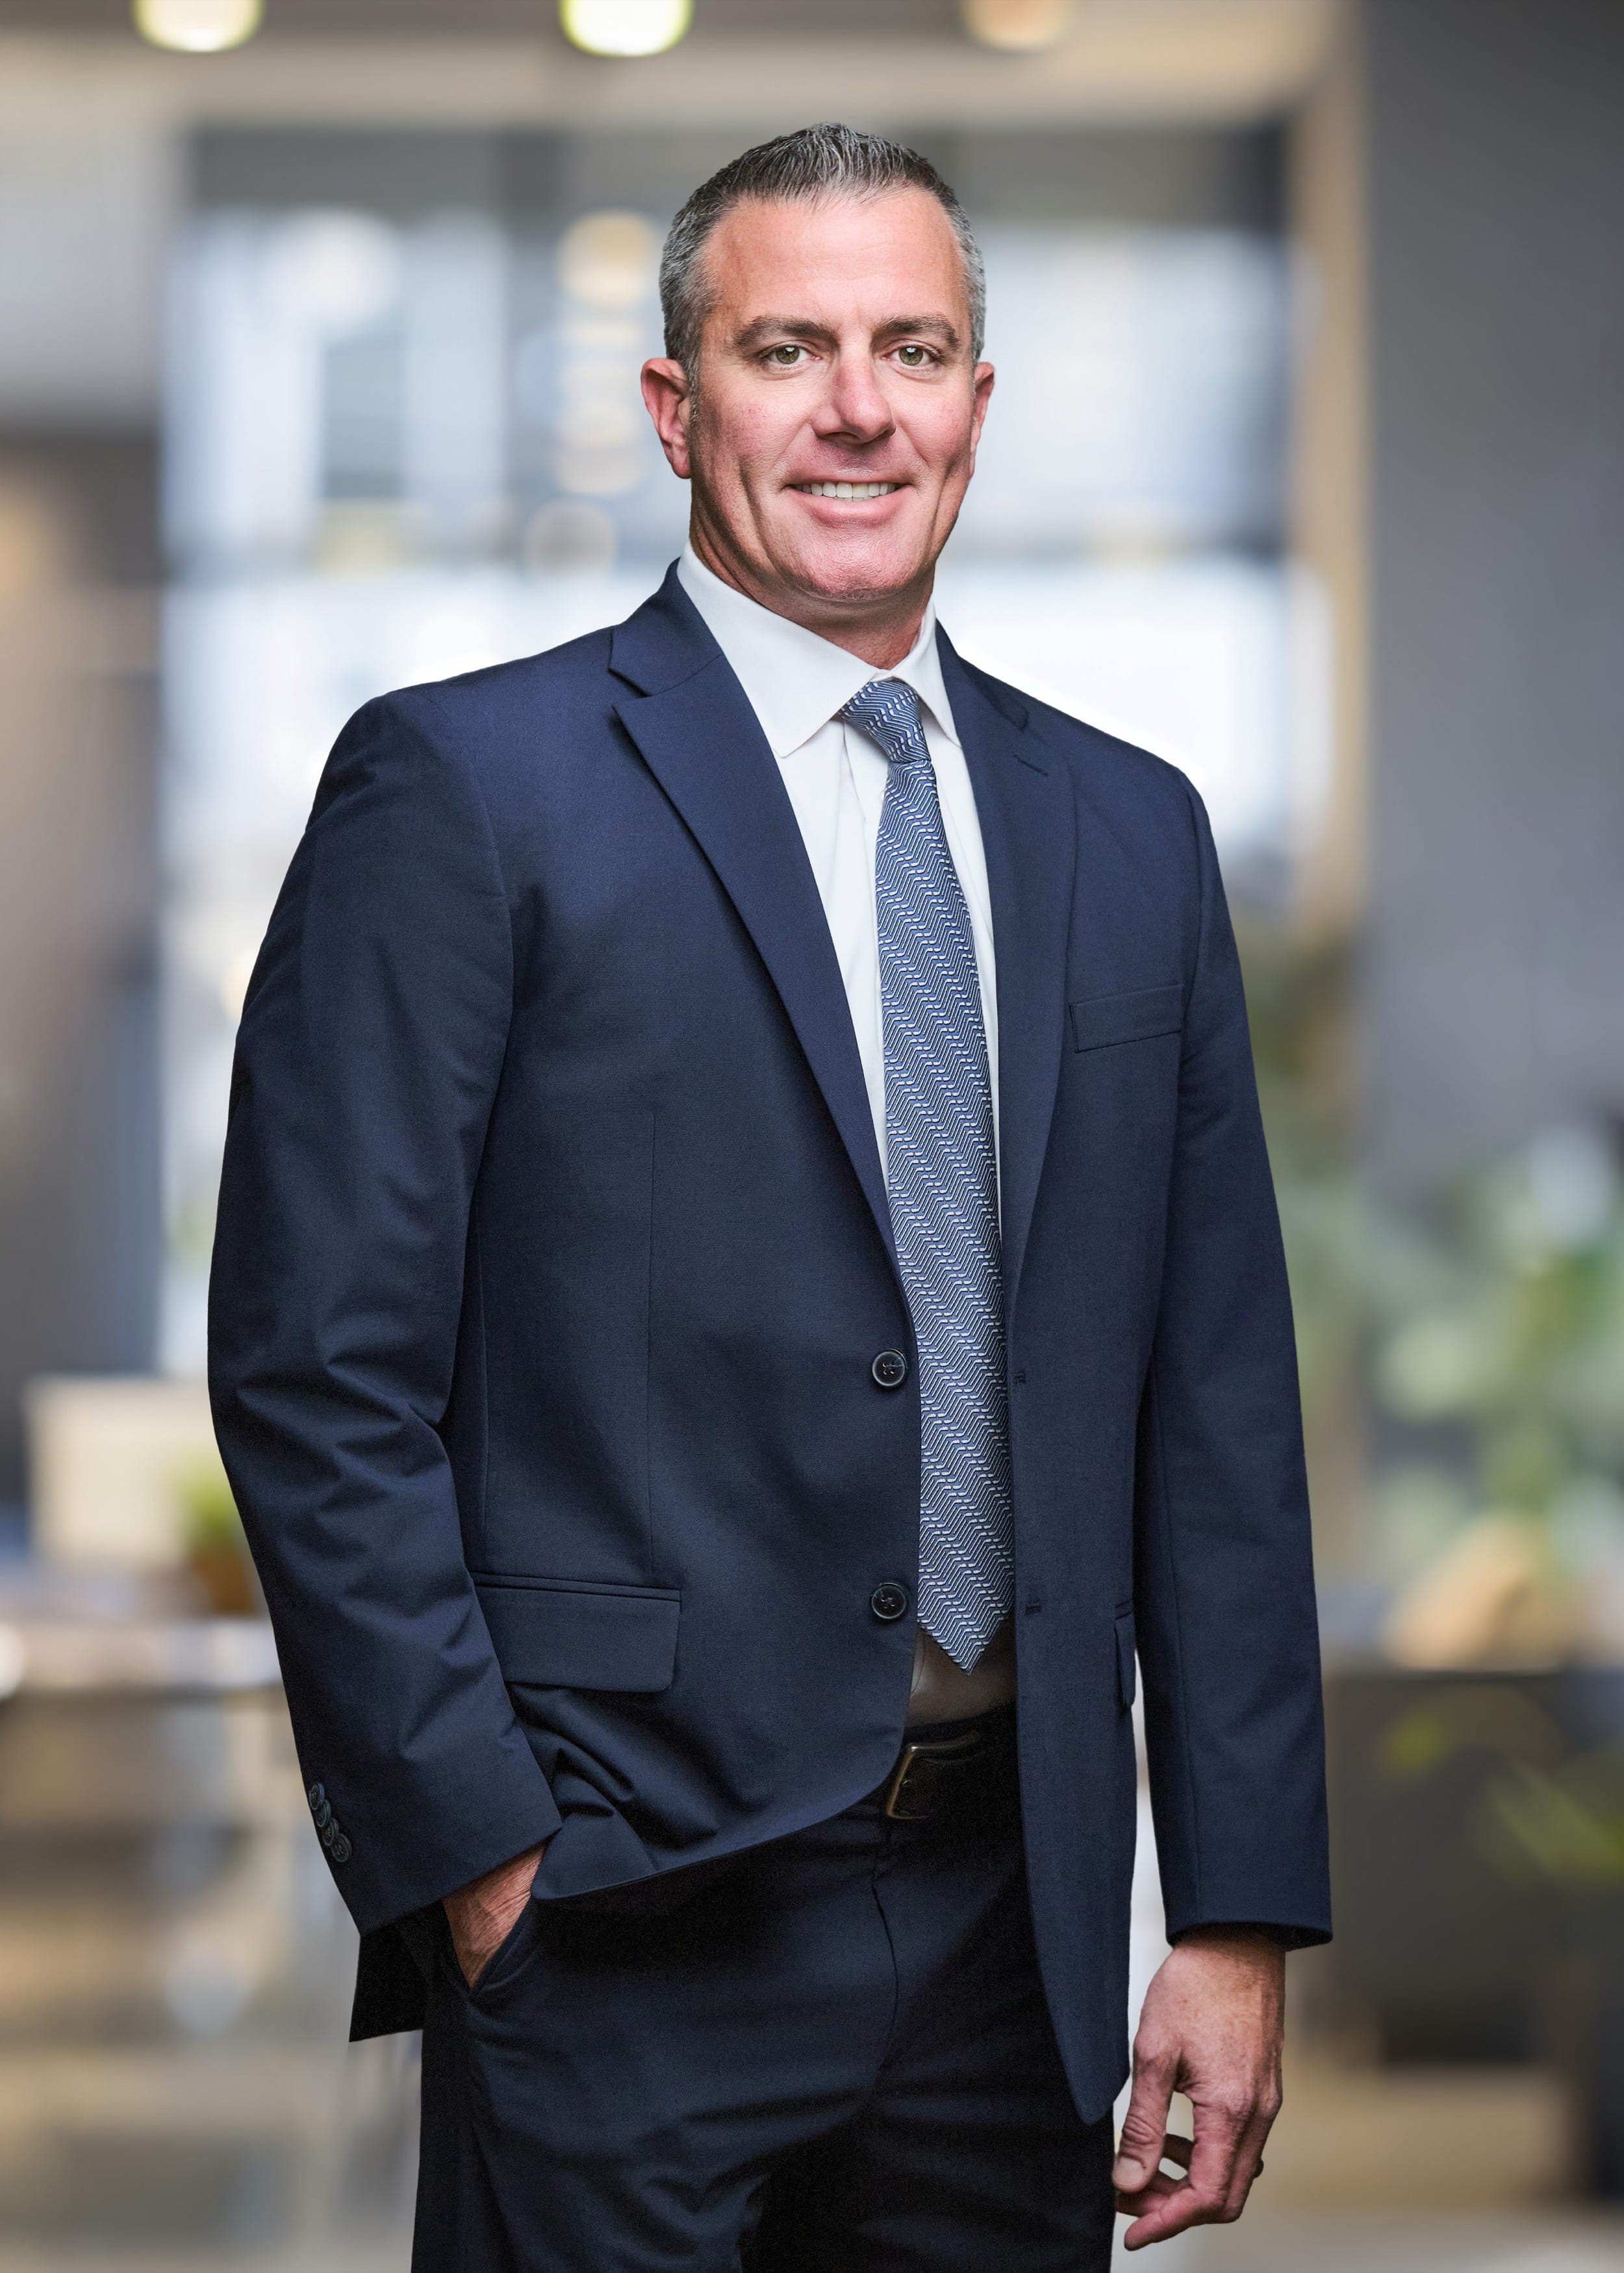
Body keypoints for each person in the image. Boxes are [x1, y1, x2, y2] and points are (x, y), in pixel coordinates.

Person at [209, 123, 1330, 2272]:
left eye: (911, 348)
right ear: (672, 407)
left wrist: (1236, 1906)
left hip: (1016, 1930)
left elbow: (1214, 1410)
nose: (855, 406)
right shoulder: (465, 788)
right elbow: (312, 1367)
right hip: (618, 1911)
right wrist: (484, 1864)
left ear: (975, 410)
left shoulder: (1128, 834)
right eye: (786, 347)